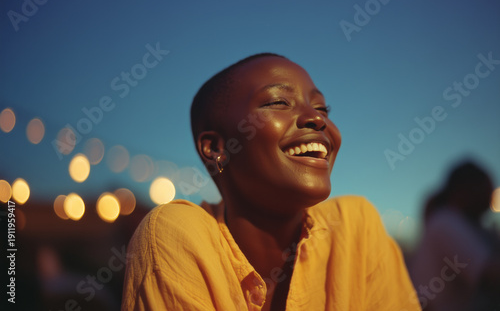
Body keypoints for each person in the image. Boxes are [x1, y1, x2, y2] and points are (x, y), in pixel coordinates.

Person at [121, 53, 420, 310]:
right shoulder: (175, 234)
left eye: (322, 108)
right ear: (216, 148)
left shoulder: (355, 229)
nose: (317, 119)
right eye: (278, 102)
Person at [410, 161, 500, 310]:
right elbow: (490, 274)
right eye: (486, 194)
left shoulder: (446, 220)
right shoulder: (446, 222)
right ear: (465, 191)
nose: (488, 205)